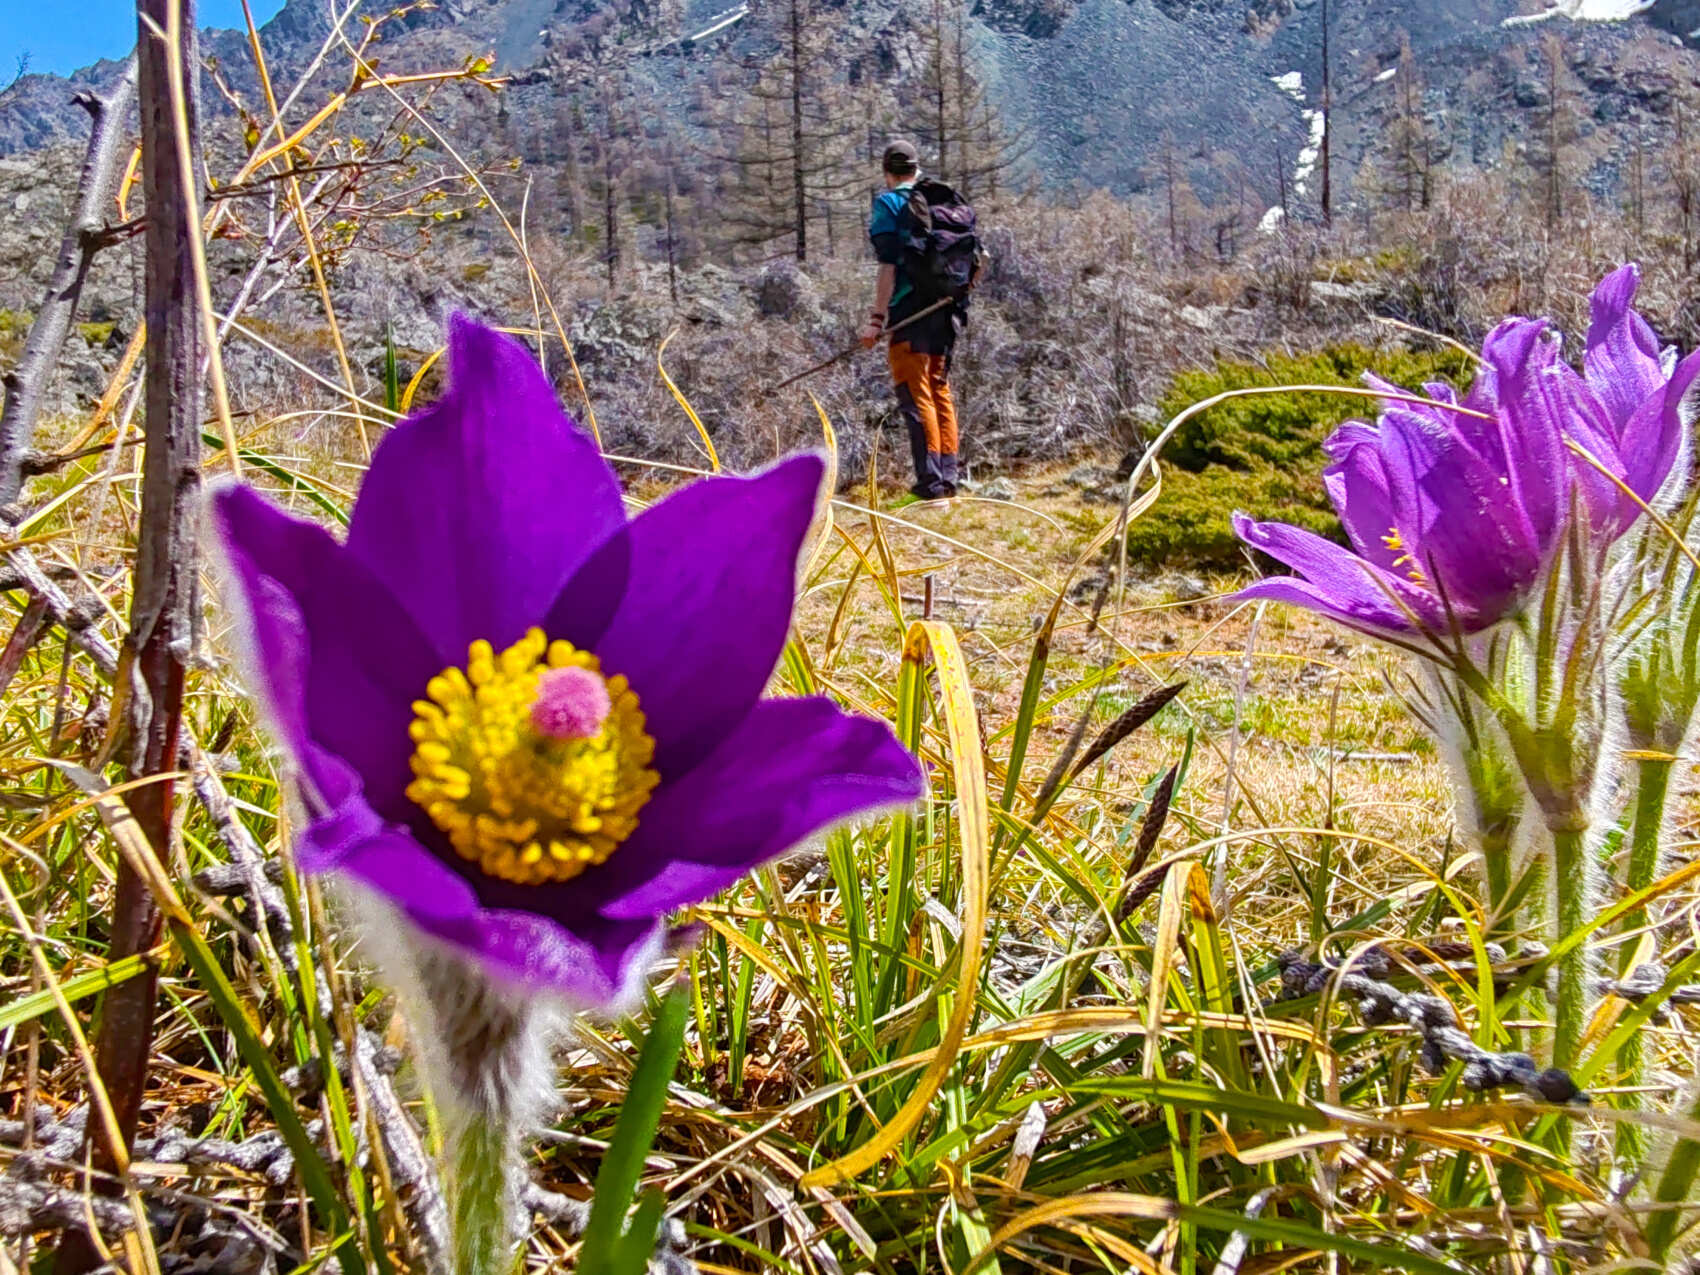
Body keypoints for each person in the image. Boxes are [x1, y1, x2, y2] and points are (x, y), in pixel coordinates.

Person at [860, 140, 971, 501]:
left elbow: (888, 266)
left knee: (915, 393)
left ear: (887, 171)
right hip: (947, 312)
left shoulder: (890, 203)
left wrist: (876, 319)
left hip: (910, 311)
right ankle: (948, 480)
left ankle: (931, 486)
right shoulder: (944, 201)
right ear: (916, 167)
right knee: (939, 391)